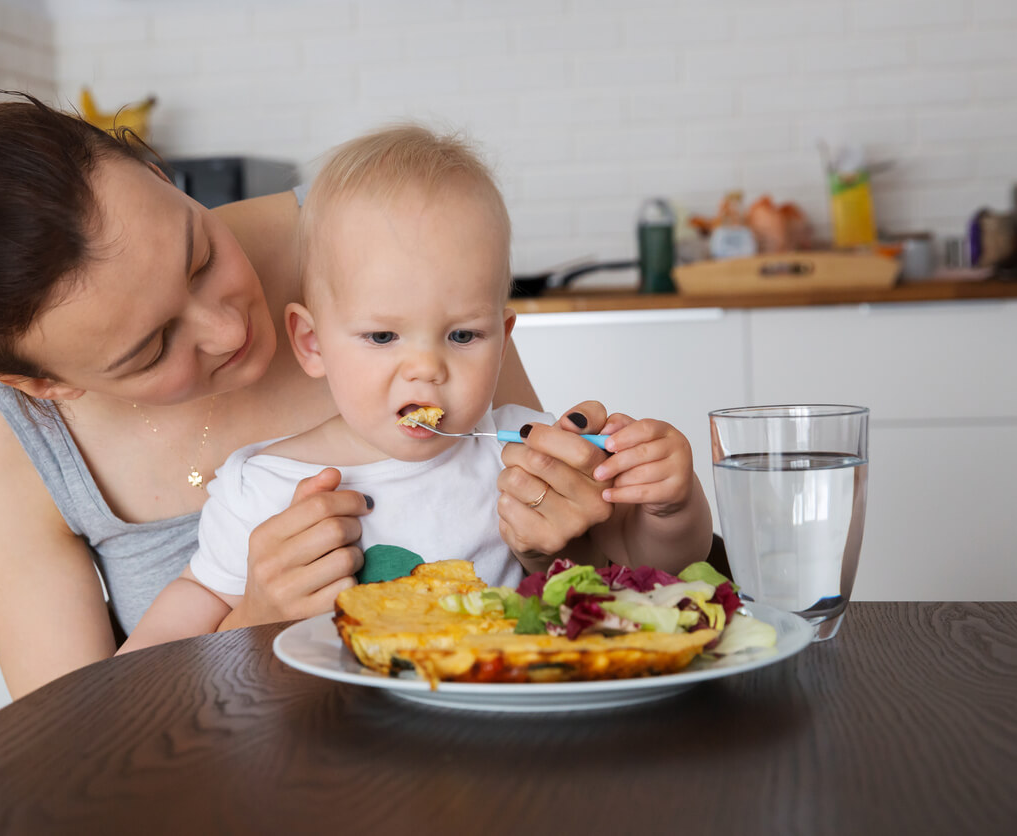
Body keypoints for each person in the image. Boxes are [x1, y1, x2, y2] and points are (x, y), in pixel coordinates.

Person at [0, 96, 705, 697]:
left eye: (196, 249)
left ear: (157, 173)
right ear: (44, 385)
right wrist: (252, 623)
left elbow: (583, 546)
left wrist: (590, 499)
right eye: (153, 347)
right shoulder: (4, 452)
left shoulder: (376, 239)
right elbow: (72, 750)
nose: (230, 327)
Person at [120, 125, 713, 653]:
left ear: (502, 338)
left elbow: (652, 567)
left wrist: (670, 504)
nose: (426, 368)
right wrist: (249, 614)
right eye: (382, 335)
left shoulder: (525, 454)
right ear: (313, 343)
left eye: (462, 334)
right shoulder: (260, 488)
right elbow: (161, 655)